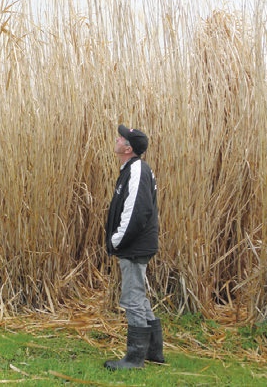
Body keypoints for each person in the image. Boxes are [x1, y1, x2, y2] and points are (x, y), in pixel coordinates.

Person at [104, 124, 165, 370]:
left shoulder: (137, 169)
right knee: (138, 296)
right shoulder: (131, 169)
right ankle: (153, 351)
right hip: (135, 245)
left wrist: (116, 240)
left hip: (134, 246)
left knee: (131, 298)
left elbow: (136, 212)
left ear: (128, 148)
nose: (117, 139)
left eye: (121, 138)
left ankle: (134, 358)